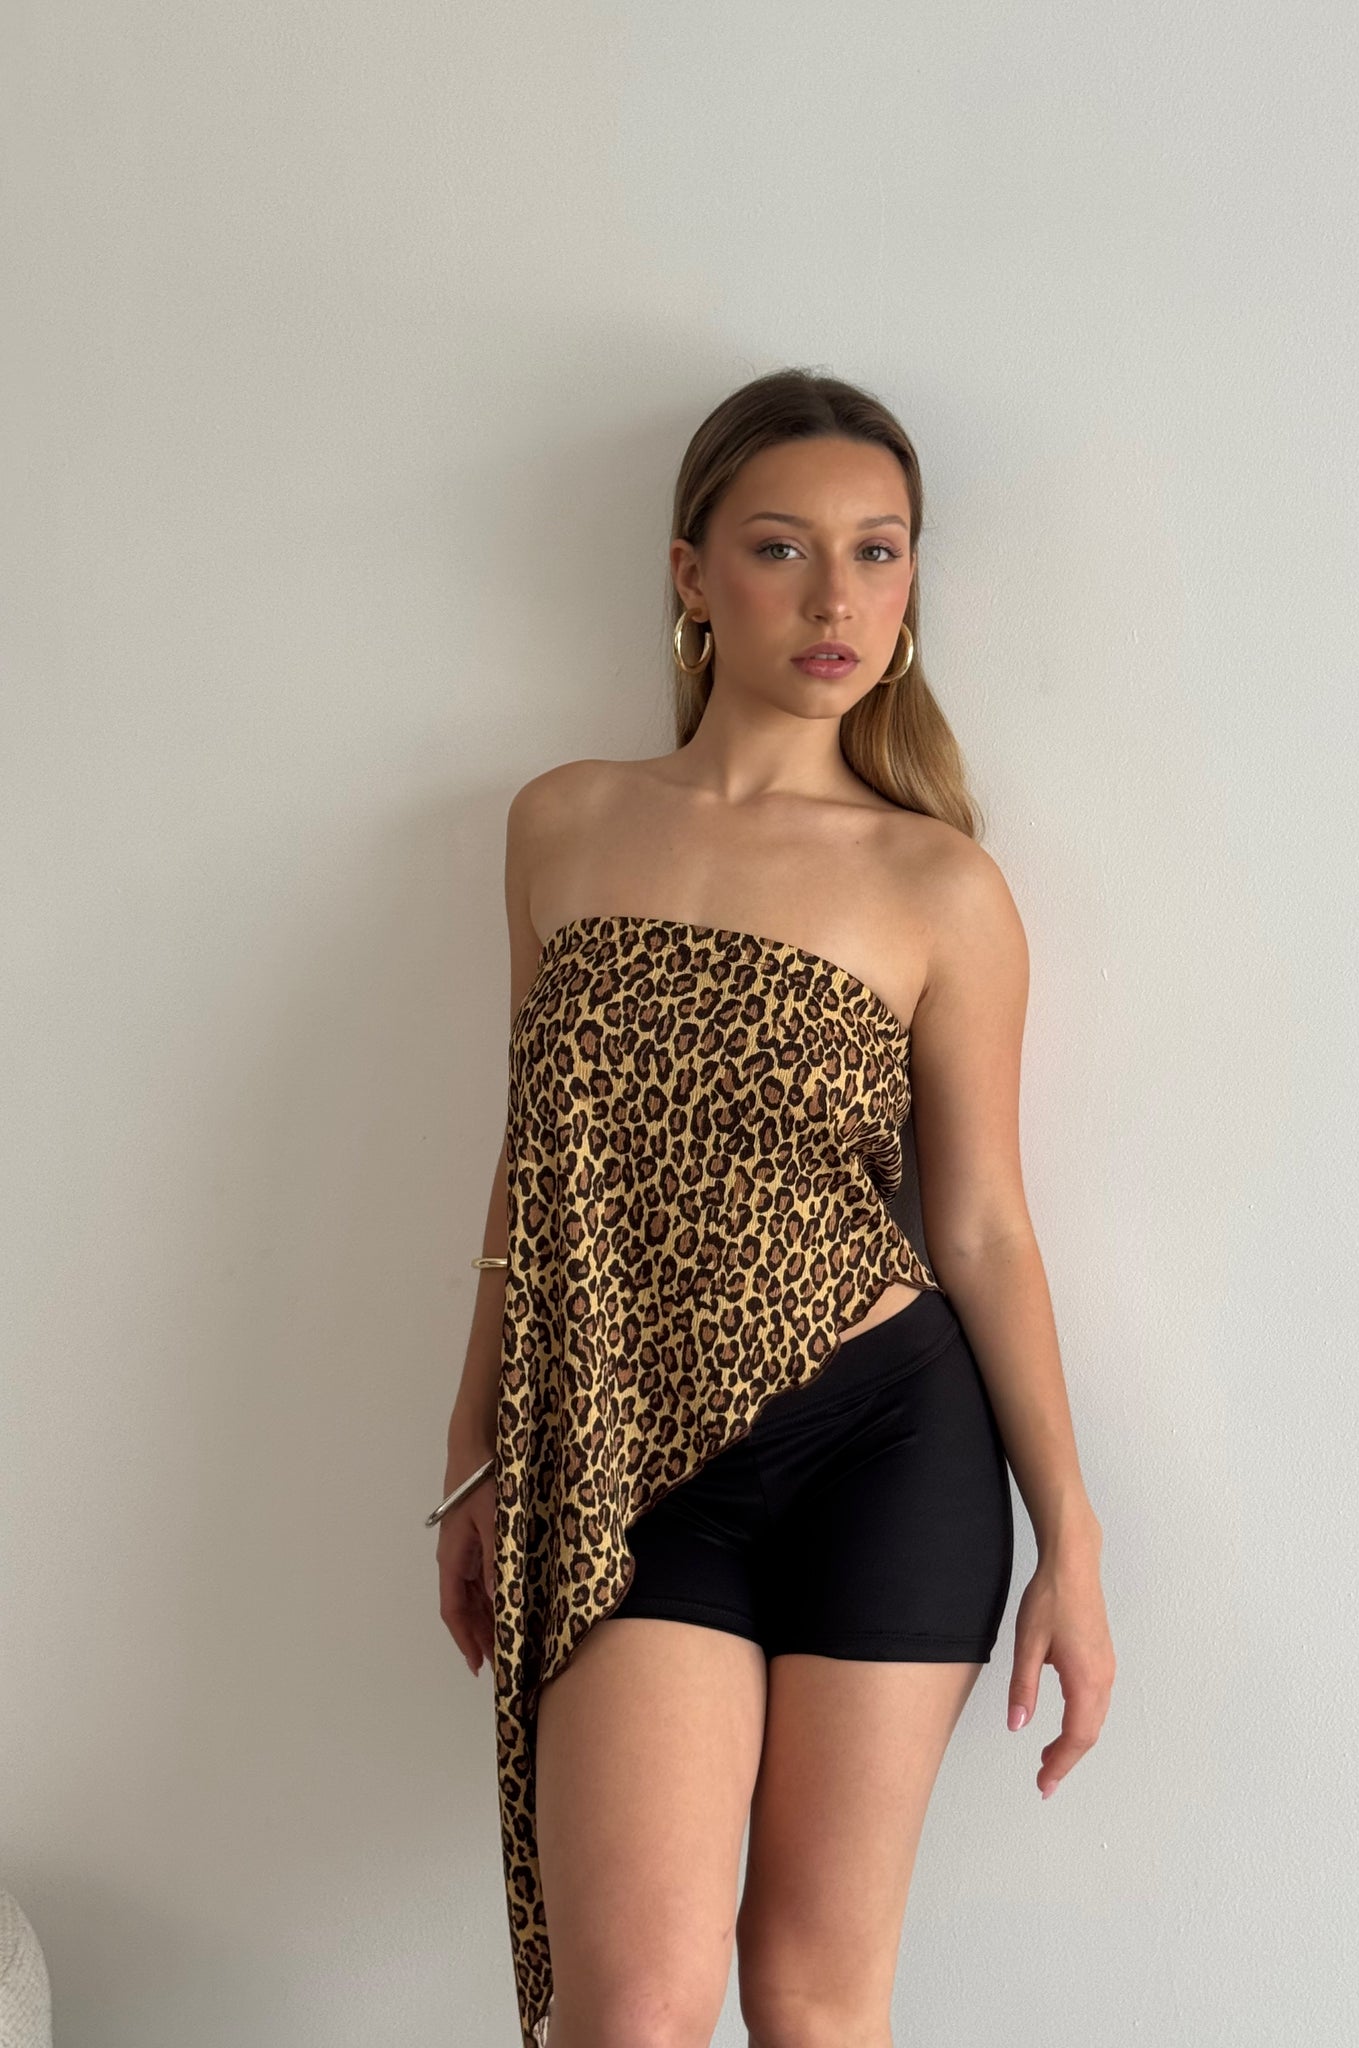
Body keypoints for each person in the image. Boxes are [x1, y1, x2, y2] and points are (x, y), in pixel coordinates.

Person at [431, 368, 1115, 2048]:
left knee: (812, 2001)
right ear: (691, 573)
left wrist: (1074, 1541)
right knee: (635, 2014)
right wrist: (478, 1446)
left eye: (878, 551)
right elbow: (536, 1162)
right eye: (781, 547)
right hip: (629, 1455)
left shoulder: (938, 882)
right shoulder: (561, 824)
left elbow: (981, 1228)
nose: (836, 600)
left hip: (889, 1443)